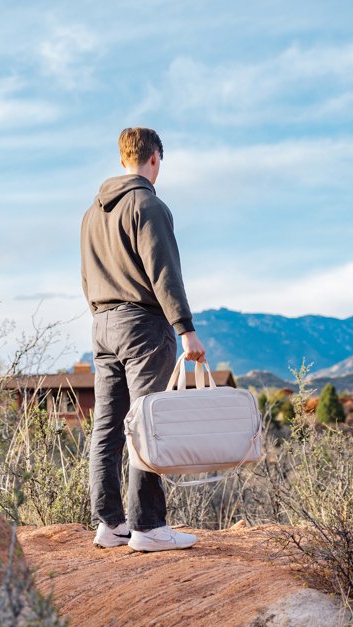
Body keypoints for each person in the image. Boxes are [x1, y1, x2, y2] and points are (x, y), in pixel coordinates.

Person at [80, 127, 207, 552]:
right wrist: (185, 329)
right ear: (155, 159)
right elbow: (164, 272)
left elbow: (86, 277)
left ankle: (110, 524)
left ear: (122, 160)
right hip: (143, 326)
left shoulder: (91, 214)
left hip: (101, 325)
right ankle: (149, 528)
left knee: (107, 428)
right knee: (147, 423)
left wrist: (103, 315)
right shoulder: (149, 205)